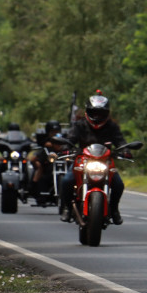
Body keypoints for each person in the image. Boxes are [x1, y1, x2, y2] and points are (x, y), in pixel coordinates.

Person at [60, 92, 130, 225]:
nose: (97, 116)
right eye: (94, 112)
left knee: (118, 184)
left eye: (101, 113)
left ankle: (114, 209)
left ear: (107, 113)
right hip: (82, 160)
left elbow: (120, 140)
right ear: (88, 111)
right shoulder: (80, 125)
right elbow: (70, 138)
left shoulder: (112, 126)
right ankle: (67, 209)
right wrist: (66, 147)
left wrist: (125, 150)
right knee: (67, 181)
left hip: (105, 161)